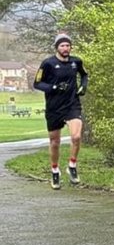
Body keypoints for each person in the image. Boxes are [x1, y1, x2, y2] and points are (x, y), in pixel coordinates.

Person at [33, 33, 88, 189]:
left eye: (68, 45)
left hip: (72, 104)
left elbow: (84, 75)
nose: (65, 48)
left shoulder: (76, 62)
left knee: (76, 136)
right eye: (62, 45)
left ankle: (72, 165)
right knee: (55, 142)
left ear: (71, 47)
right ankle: (55, 171)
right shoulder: (48, 63)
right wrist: (53, 88)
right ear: (57, 47)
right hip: (54, 107)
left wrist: (83, 86)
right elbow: (37, 83)